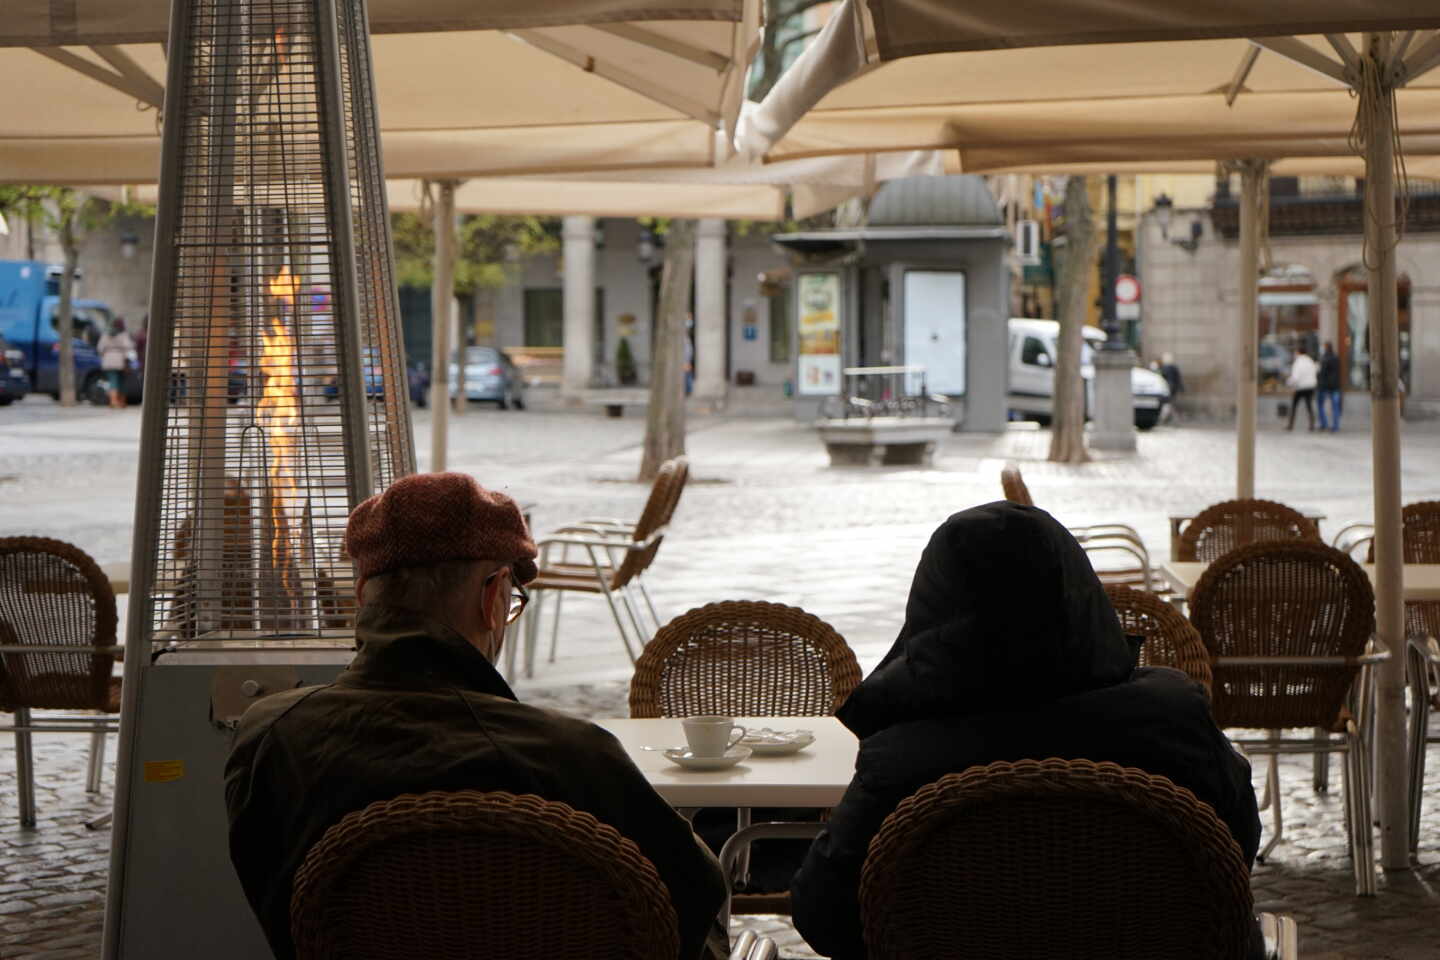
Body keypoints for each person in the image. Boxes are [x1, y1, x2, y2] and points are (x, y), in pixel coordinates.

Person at [225, 473, 727, 960]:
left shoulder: (271, 737)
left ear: (361, 599)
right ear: (492, 598)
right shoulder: (571, 756)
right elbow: (696, 902)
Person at [789, 502, 1262, 960]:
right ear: (1077, 590)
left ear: (934, 607)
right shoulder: (1176, 721)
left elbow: (825, 917)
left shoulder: (900, 758)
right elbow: (1235, 848)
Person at [95, 317, 134, 409]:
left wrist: (105, 354)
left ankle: (113, 401)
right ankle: (120, 402)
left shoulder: (105, 334)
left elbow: (100, 348)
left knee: (113, 381)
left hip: (108, 360)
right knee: (120, 382)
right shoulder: (123, 334)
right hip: (120, 360)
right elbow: (129, 347)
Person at [1285, 344, 1318, 431]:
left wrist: (1288, 383)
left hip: (1300, 387)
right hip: (1310, 386)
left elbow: (1295, 377)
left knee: (1294, 406)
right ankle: (1312, 425)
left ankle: (1290, 425)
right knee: (1309, 406)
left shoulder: (1298, 362)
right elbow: (1315, 372)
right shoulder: (1310, 361)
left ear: (1298, 352)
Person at [1317, 341, 1342, 432]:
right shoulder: (1336, 358)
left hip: (1325, 386)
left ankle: (1324, 424)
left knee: (1320, 405)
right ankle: (1335, 426)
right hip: (1335, 386)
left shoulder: (1324, 359)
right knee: (1335, 407)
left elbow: (1322, 373)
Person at [1159, 351, 1184, 423]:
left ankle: (1167, 418)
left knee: (1168, 403)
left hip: (1168, 388)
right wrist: (1181, 388)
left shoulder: (1164, 368)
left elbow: (1176, 378)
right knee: (1169, 403)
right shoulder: (1171, 367)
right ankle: (1170, 418)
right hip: (1171, 388)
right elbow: (1178, 378)